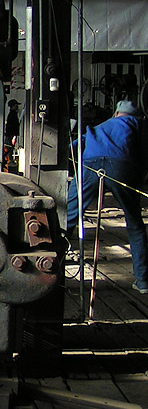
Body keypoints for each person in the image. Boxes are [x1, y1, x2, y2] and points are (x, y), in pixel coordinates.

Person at [67, 100, 148, 294]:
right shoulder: (139, 124)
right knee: (134, 224)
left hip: (90, 164)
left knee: (68, 216)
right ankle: (143, 282)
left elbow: (74, 146)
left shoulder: (100, 126)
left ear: (116, 113)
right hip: (122, 166)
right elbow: (145, 153)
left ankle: (53, 269)